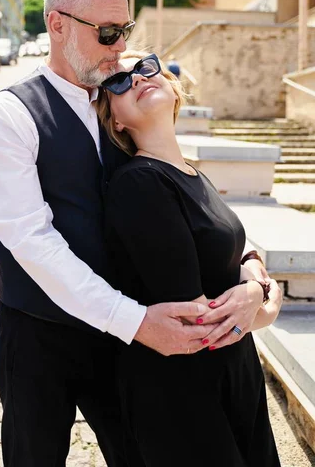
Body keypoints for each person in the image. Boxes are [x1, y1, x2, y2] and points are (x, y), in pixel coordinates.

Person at [0, 0, 274, 467]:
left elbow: (192, 199)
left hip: (129, 341)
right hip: (42, 334)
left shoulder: (122, 106)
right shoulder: (6, 116)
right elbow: (31, 241)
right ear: (57, 24)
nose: (119, 48)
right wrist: (134, 322)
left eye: (125, 30)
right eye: (108, 32)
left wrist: (253, 270)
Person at [95, 49, 283, 466]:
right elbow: (199, 320)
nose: (139, 78)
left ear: (173, 88)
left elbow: (237, 259)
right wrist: (264, 302)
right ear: (116, 121)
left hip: (235, 375)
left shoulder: (196, 175)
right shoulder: (139, 184)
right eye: (119, 82)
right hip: (182, 391)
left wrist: (255, 284)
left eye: (146, 68)